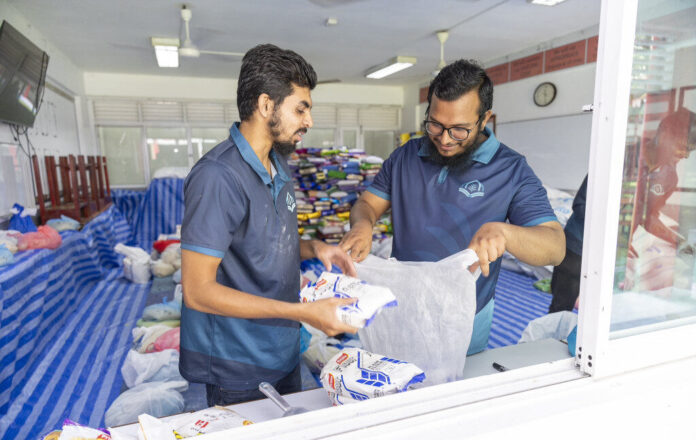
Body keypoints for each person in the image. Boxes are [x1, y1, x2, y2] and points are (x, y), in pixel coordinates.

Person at [339, 59, 566, 355]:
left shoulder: (510, 169)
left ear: (485, 119)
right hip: (402, 307)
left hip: (465, 317)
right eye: (435, 125)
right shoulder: (406, 156)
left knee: (456, 381)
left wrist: (506, 233)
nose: (444, 140)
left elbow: (555, 246)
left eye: (459, 130)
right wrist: (362, 224)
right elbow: (368, 203)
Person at [179, 44, 358, 407]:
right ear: (265, 105)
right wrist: (302, 312)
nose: (309, 121)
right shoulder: (218, 177)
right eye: (300, 109)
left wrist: (315, 248)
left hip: (281, 348)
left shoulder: (277, 163)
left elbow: (261, 239)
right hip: (237, 361)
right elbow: (198, 291)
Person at [548, 175, 587, 313]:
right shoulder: (600, 172)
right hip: (576, 246)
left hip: (601, 253)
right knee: (562, 303)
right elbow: (580, 205)